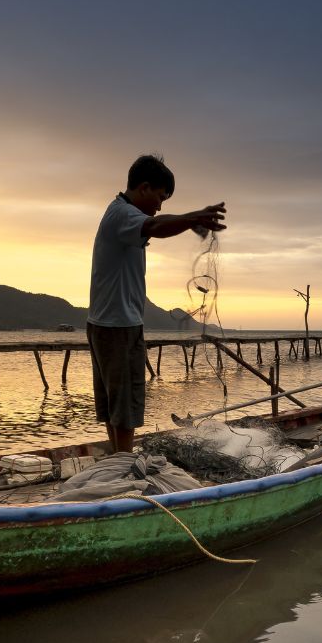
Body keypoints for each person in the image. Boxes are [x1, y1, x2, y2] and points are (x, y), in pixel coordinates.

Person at [88, 154, 226, 453]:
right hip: (119, 326)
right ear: (144, 187)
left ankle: (117, 462)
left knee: (115, 404)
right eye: (160, 196)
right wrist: (194, 218)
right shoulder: (124, 214)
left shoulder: (118, 213)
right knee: (124, 407)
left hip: (105, 323)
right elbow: (156, 226)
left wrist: (189, 221)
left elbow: (157, 223)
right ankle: (124, 468)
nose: (161, 204)